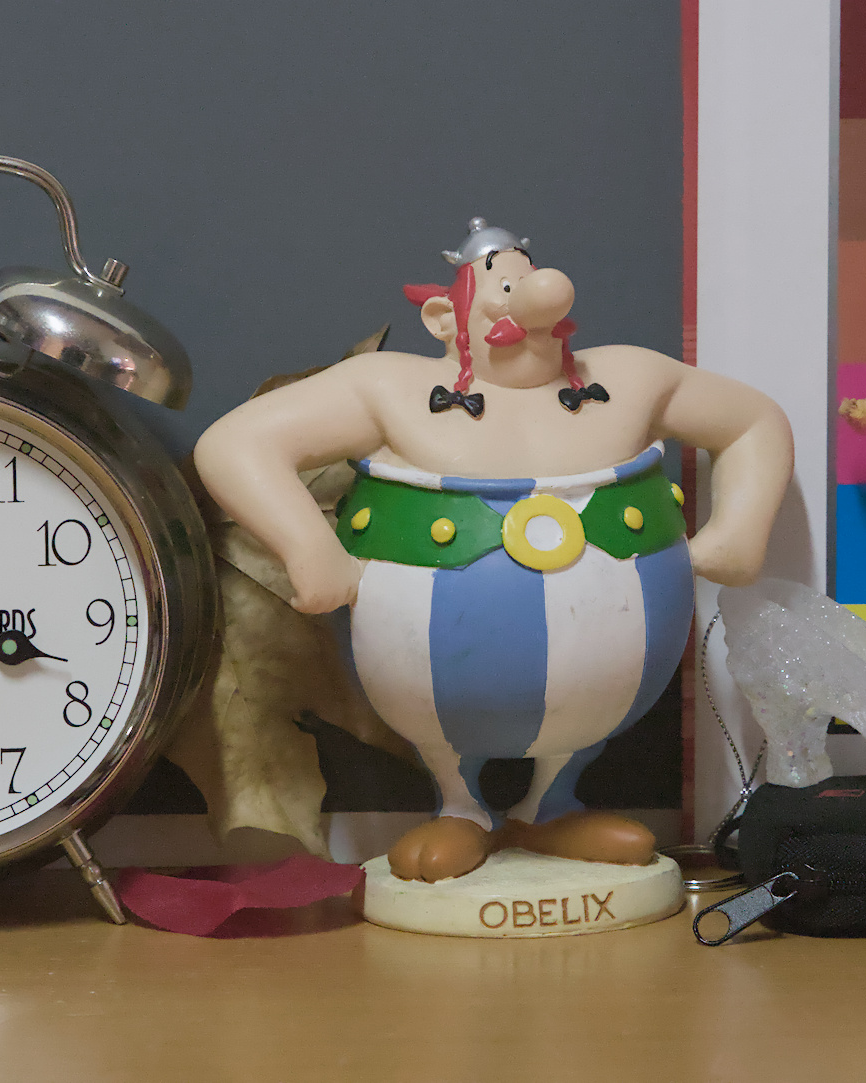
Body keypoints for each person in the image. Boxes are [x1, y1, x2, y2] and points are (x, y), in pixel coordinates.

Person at [194, 218, 792, 881]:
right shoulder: (386, 388)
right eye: (503, 285)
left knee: (580, 731)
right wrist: (311, 550)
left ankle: (551, 807)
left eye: (531, 281)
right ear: (443, 318)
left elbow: (752, 420)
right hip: (420, 671)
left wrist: (738, 532)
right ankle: (460, 809)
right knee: (443, 736)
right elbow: (236, 443)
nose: (532, 299)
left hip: (612, 681)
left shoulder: (628, 377)